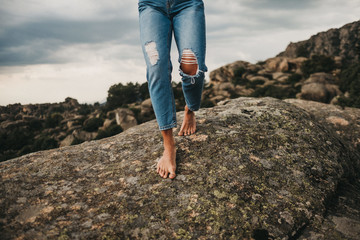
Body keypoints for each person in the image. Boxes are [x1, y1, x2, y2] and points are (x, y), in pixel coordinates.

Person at [138, 0, 207, 179]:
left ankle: (190, 109)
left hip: (187, 4)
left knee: (192, 67)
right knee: (156, 68)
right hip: (152, 5)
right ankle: (169, 146)